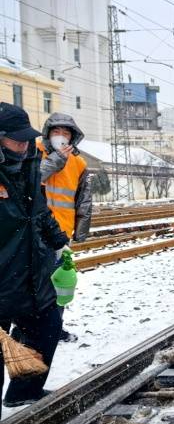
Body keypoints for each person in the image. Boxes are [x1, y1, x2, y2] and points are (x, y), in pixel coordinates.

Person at [0, 103, 70, 413]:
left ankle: (24, 391)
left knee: (48, 324)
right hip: (2, 272)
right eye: (17, 140)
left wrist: (59, 243)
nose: (24, 145)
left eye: (27, 139)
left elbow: (39, 210)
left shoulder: (29, 162)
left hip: (30, 266)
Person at [37, 113, 92, 343]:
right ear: (48, 133)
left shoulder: (78, 163)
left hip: (62, 233)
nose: (61, 136)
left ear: (72, 137)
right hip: (35, 231)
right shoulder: (35, 152)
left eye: (66, 133)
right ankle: (31, 330)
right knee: (35, 284)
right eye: (56, 131)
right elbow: (33, 179)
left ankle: (54, 328)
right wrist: (55, 159)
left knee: (60, 283)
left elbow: (83, 198)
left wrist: (81, 229)